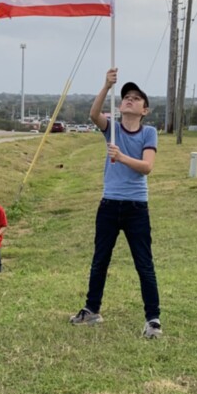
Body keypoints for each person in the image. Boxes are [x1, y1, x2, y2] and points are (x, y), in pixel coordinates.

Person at [70, 69, 162, 339]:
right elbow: (93, 114)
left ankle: (153, 319)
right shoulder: (111, 129)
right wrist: (106, 87)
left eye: (136, 98)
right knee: (100, 260)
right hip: (109, 205)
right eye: (126, 98)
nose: (129, 100)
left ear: (145, 109)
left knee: (144, 264)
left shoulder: (149, 133)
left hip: (136, 208)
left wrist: (121, 157)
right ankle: (92, 309)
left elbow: (147, 167)